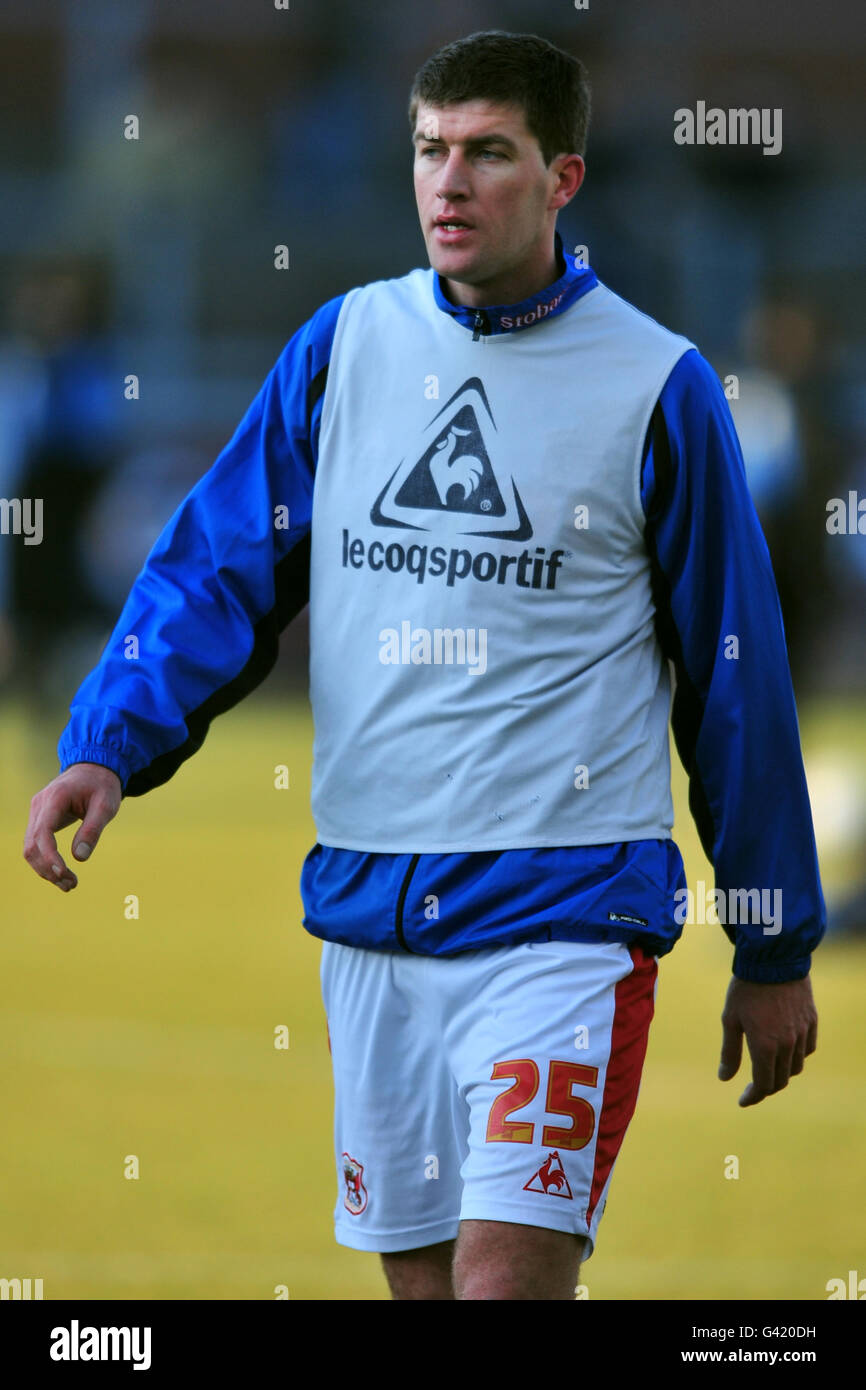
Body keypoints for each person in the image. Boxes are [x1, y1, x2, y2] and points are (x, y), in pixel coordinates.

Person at [23, 30, 824, 1301]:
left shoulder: (657, 386)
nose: (448, 183)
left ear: (561, 178)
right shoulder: (342, 350)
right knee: (425, 1292)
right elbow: (214, 568)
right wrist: (104, 742)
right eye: (428, 151)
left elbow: (737, 676)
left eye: (488, 153)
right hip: (371, 913)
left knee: (501, 1283)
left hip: (561, 919)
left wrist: (770, 943)